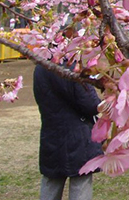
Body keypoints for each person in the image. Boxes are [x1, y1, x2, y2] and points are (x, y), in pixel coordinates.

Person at [33, 64, 103, 200]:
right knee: (80, 185)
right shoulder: (73, 67)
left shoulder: (40, 67)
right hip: (79, 137)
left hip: (52, 135)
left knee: (51, 183)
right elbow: (91, 105)